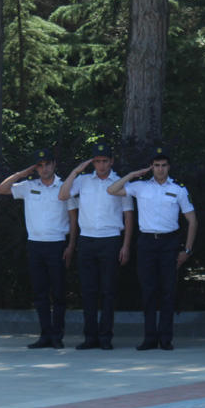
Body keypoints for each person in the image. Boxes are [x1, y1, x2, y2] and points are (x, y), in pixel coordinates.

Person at [107, 145, 196, 351]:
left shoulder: (179, 189)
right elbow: (111, 190)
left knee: (167, 291)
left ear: (169, 166)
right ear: (151, 167)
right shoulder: (140, 187)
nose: (160, 169)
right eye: (156, 165)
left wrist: (188, 250)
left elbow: (192, 221)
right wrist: (131, 175)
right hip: (147, 242)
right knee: (148, 291)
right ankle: (149, 337)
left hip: (169, 243)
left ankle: (165, 338)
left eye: (164, 165)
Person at [0, 148, 76, 348]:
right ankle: (45, 335)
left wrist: (71, 245)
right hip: (35, 245)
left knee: (58, 293)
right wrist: (23, 173)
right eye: (39, 165)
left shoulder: (65, 187)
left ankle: (57, 336)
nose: (44, 168)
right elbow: (2, 189)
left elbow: (74, 220)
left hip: (57, 244)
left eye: (47, 164)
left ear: (54, 164)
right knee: (40, 293)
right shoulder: (28, 186)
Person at [59, 141, 134, 350]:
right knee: (88, 290)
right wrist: (75, 171)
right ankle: (90, 337)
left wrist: (126, 245)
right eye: (98, 161)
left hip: (110, 239)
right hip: (87, 240)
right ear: (93, 162)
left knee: (108, 291)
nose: (101, 165)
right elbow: (63, 195)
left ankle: (105, 337)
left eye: (105, 161)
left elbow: (129, 216)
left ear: (111, 161)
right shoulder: (83, 181)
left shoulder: (120, 182)